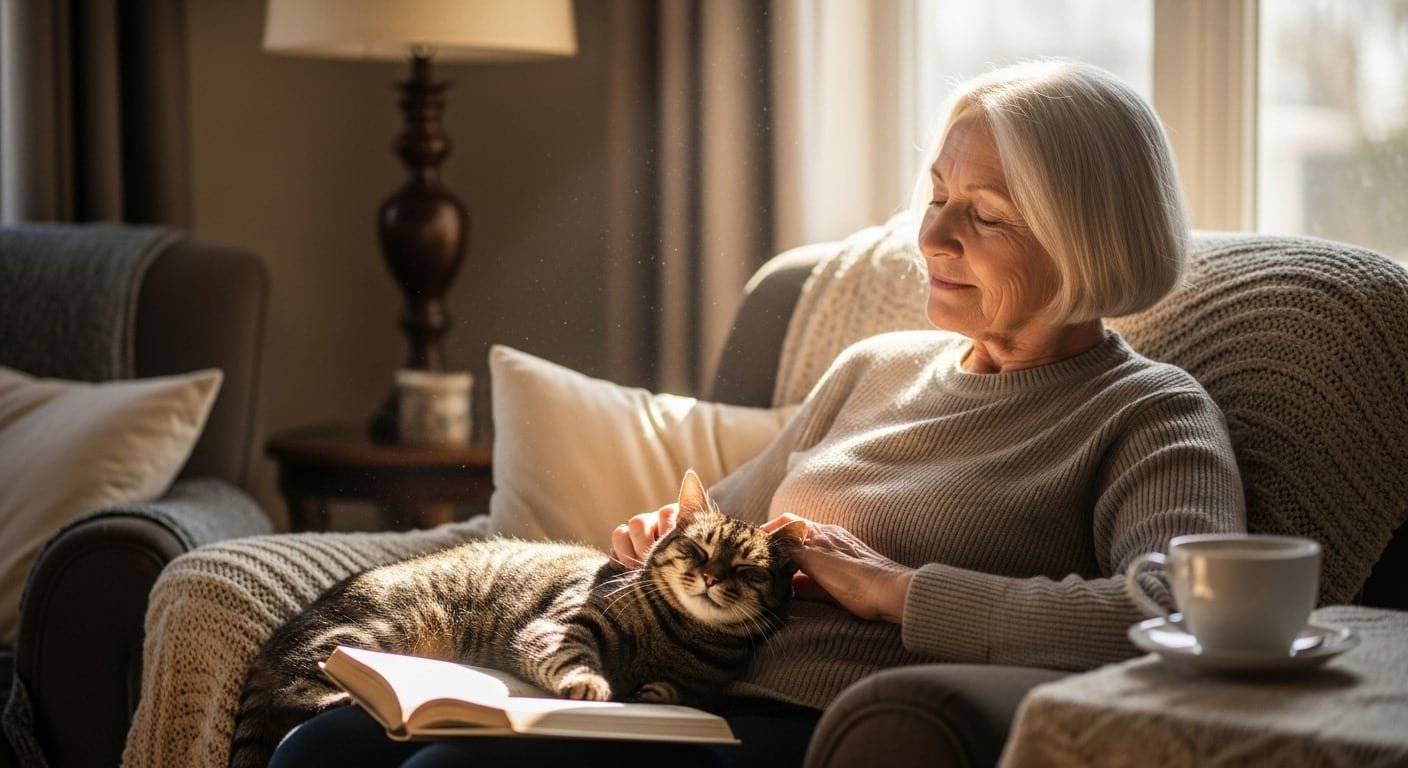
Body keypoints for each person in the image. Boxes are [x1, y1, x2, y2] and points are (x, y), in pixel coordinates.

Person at [270, 58, 1245, 768]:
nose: (931, 235)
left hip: (820, 730)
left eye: (982, 215)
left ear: (1086, 239)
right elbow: (727, 516)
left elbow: (1187, 614)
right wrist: (660, 538)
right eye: (937, 195)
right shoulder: (872, 368)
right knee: (320, 749)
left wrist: (902, 593)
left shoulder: (1147, 413)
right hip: (678, 693)